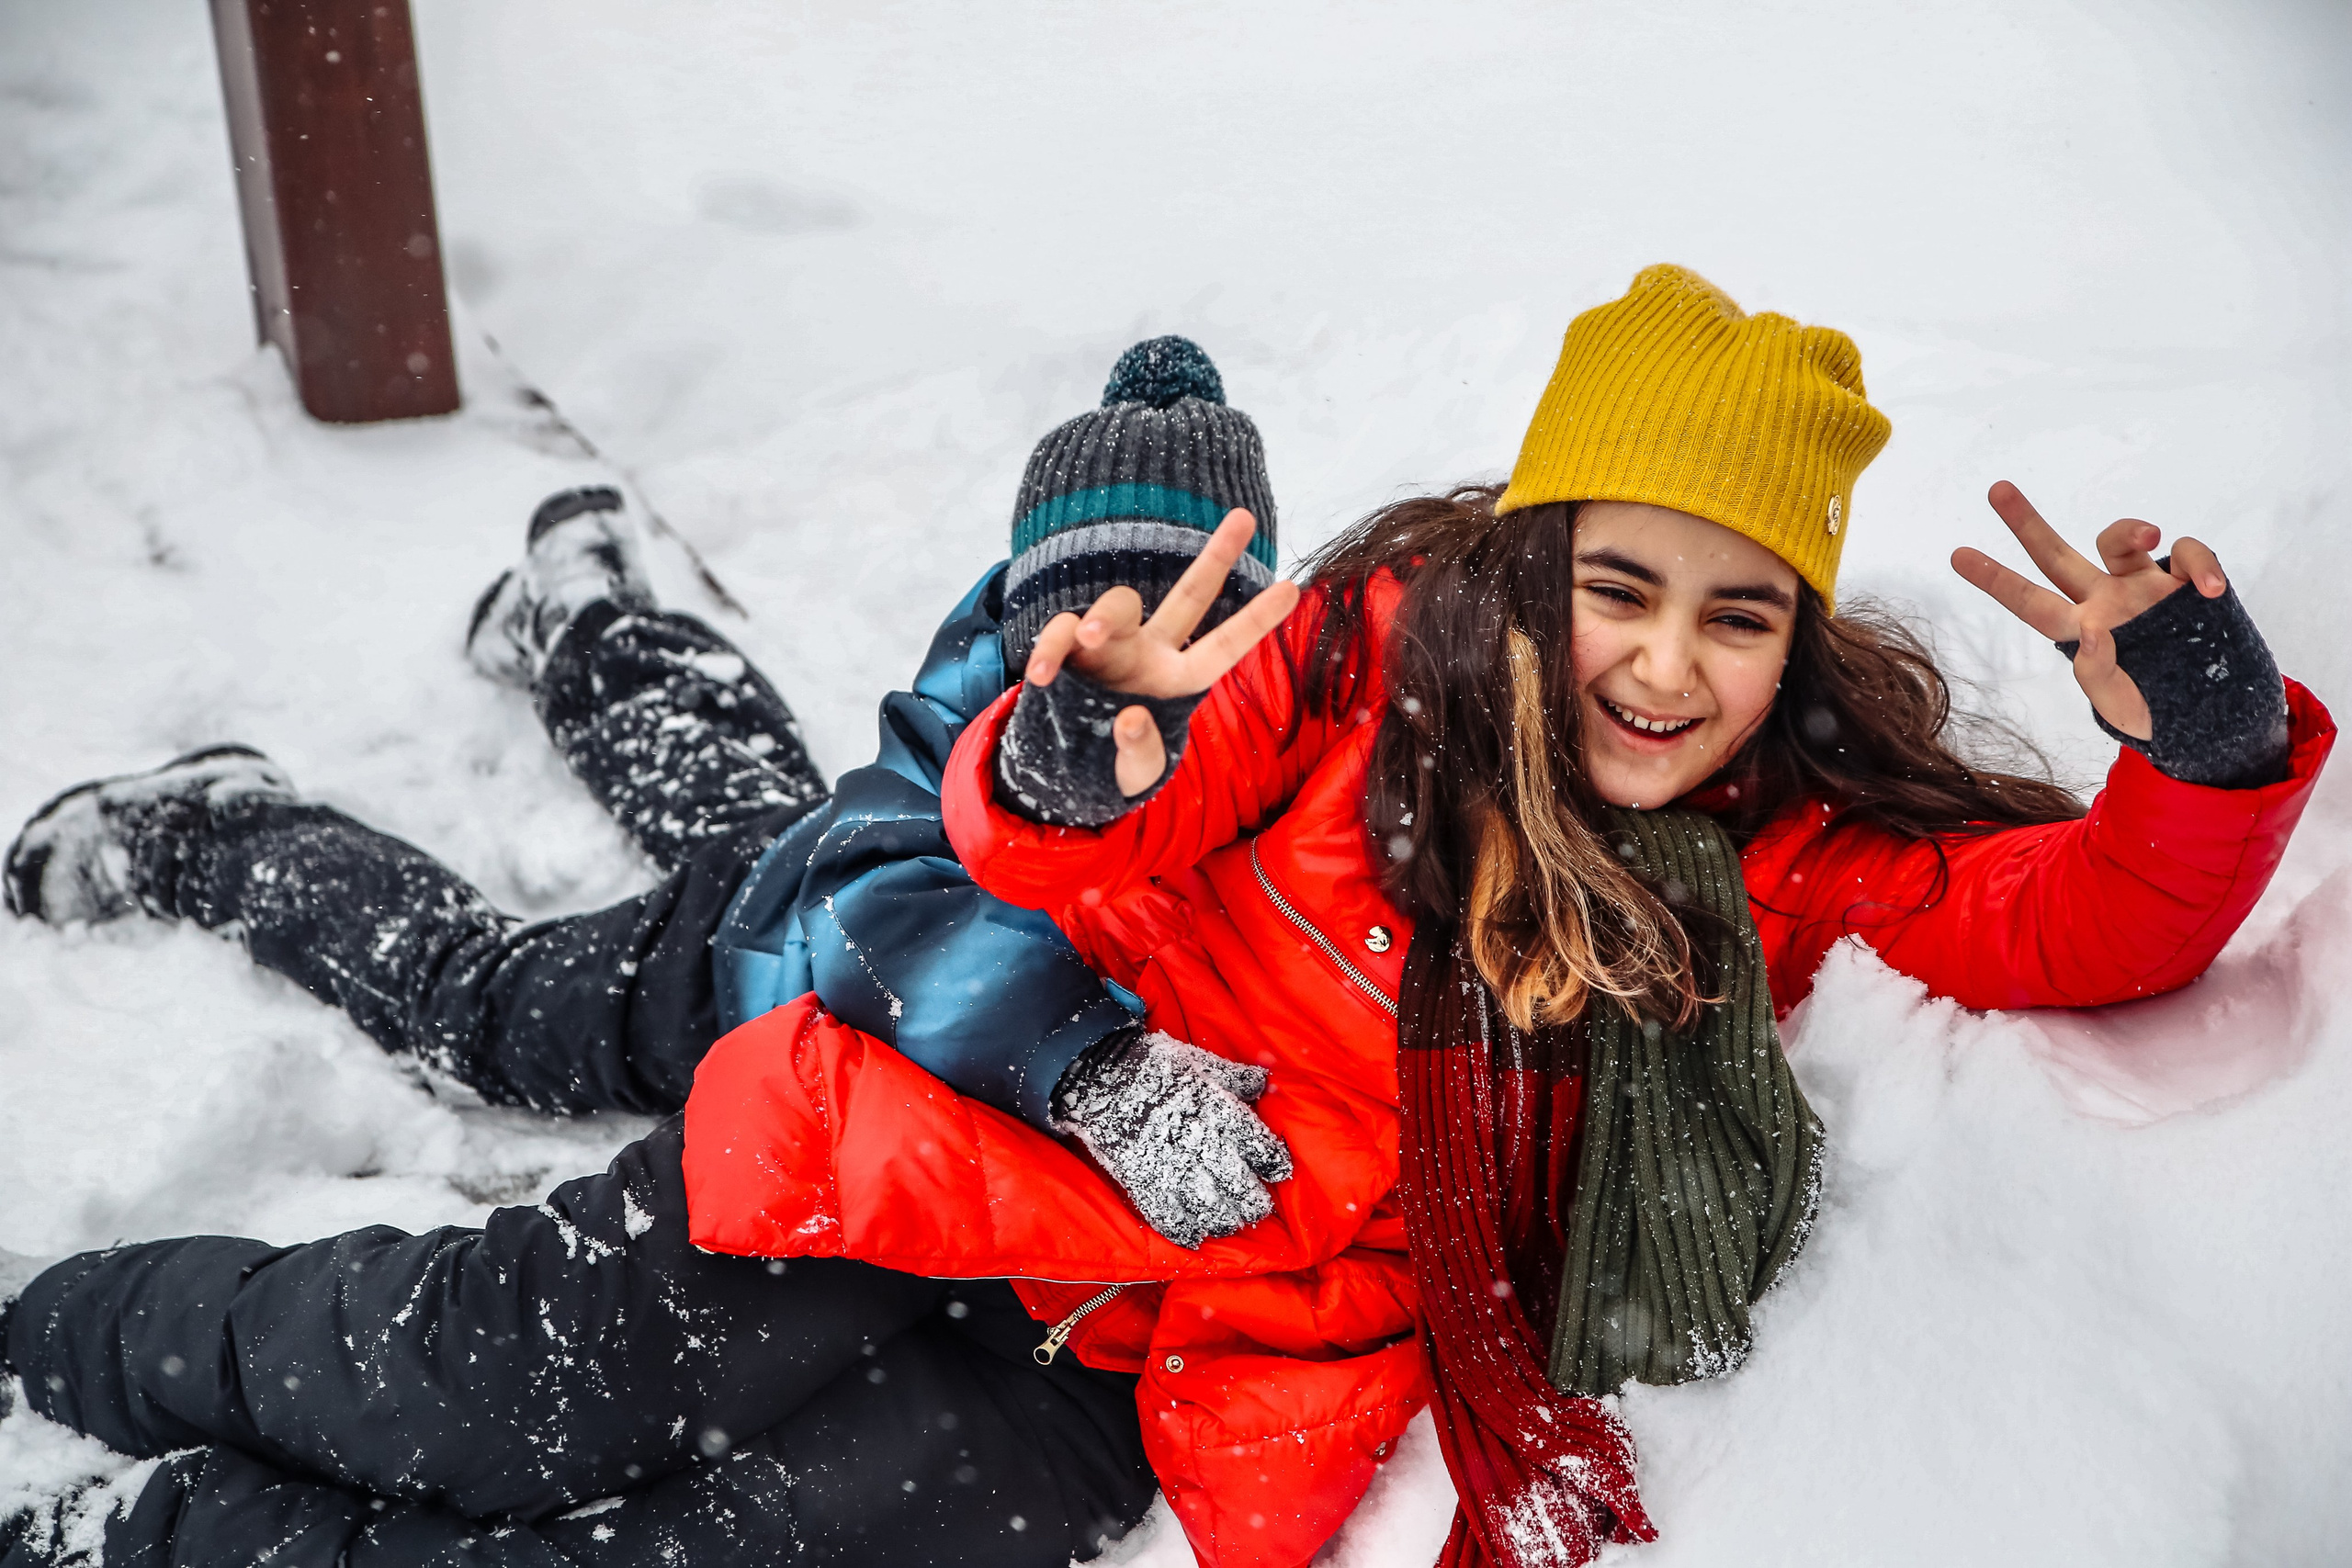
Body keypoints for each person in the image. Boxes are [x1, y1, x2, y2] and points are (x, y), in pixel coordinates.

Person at [676, 265, 2335, 1568]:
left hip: (1182, 1337)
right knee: (485, 1373)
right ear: (1529, 563)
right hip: (968, 1129)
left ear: (1792, 646)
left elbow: (2087, 930)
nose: (1668, 667)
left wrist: (2205, 740)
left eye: (1738, 617)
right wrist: (1070, 769)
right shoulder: (1353, 656)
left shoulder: (1766, 861)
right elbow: (1097, 842)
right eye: (1620, 588)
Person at [0, 339, 1292, 1566]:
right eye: (1071, 637)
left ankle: (583, 624)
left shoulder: (1267, 773)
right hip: (778, 978)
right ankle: (216, 825)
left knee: (745, 803)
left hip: (957, 1176)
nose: (1128, 678)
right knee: (489, 1001)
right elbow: (869, 874)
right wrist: (1072, 983)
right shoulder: (1004, 718)